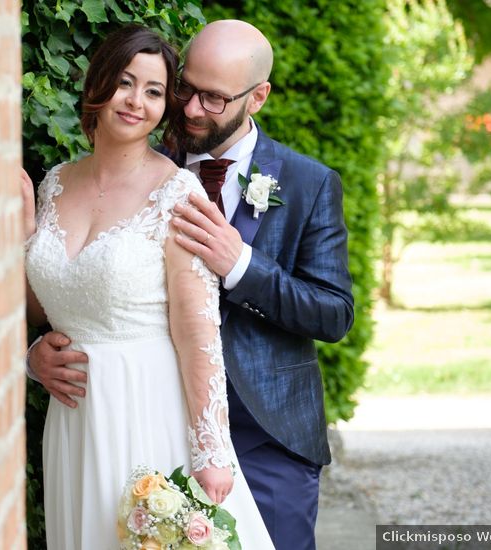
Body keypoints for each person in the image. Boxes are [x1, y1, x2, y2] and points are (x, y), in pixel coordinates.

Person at [29, 20, 355, 550]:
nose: (191, 109)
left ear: (258, 98)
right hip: (141, 414)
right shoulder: (143, 157)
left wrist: (242, 264)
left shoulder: (307, 183)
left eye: (214, 98)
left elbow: (334, 312)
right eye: (185, 89)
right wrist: (36, 351)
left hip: (264, 431)